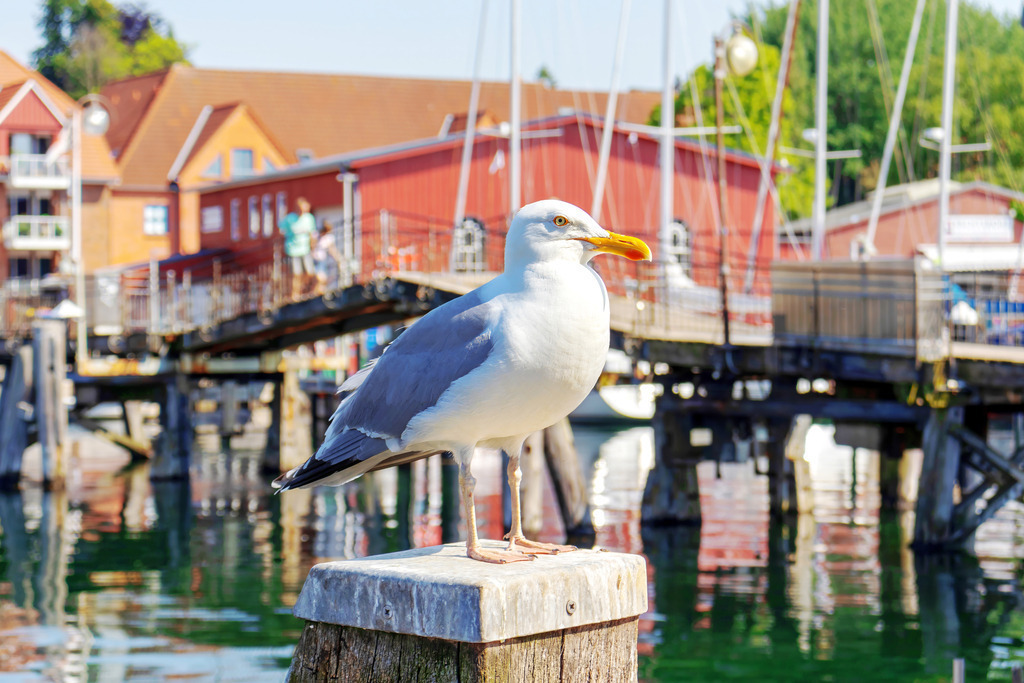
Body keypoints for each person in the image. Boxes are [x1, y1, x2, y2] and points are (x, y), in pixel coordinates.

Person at [280, 198, 316, 299]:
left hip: (305, 249)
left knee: (309, 272)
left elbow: (312, 233)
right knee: (296, 274)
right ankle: (294, 295)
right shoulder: (290, 218)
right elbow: (281, 229)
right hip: (293, 250)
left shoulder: (309, 218)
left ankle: (302, 290)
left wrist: (313, 246)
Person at [312, 220, 344, 294]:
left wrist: (339, 259)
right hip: (316, 260)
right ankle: (315, 294)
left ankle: (318, 294)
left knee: (323, 279)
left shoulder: (327, 238)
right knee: (321, 279)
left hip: (322, 260)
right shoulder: (317, 235)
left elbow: (332, 250)